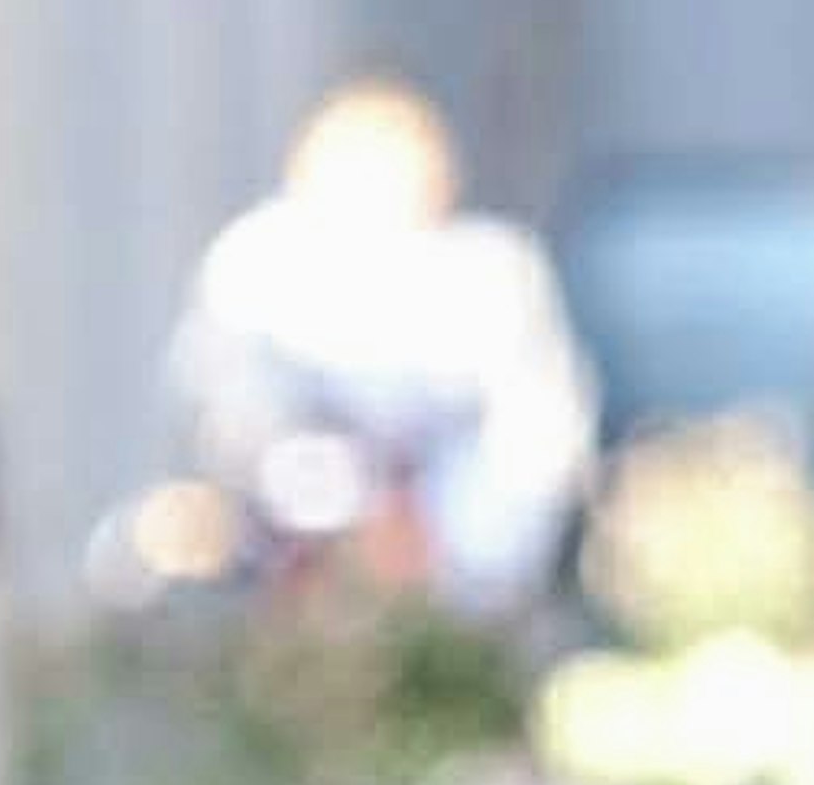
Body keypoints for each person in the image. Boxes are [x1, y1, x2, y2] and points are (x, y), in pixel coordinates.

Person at [168, 77, 594, 610]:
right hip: (293, 553)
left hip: (463, 561)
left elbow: (541, 431)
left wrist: (458, 545)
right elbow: (230, 414)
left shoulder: (494, 271)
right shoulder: (256, 266)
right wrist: (342, 513)